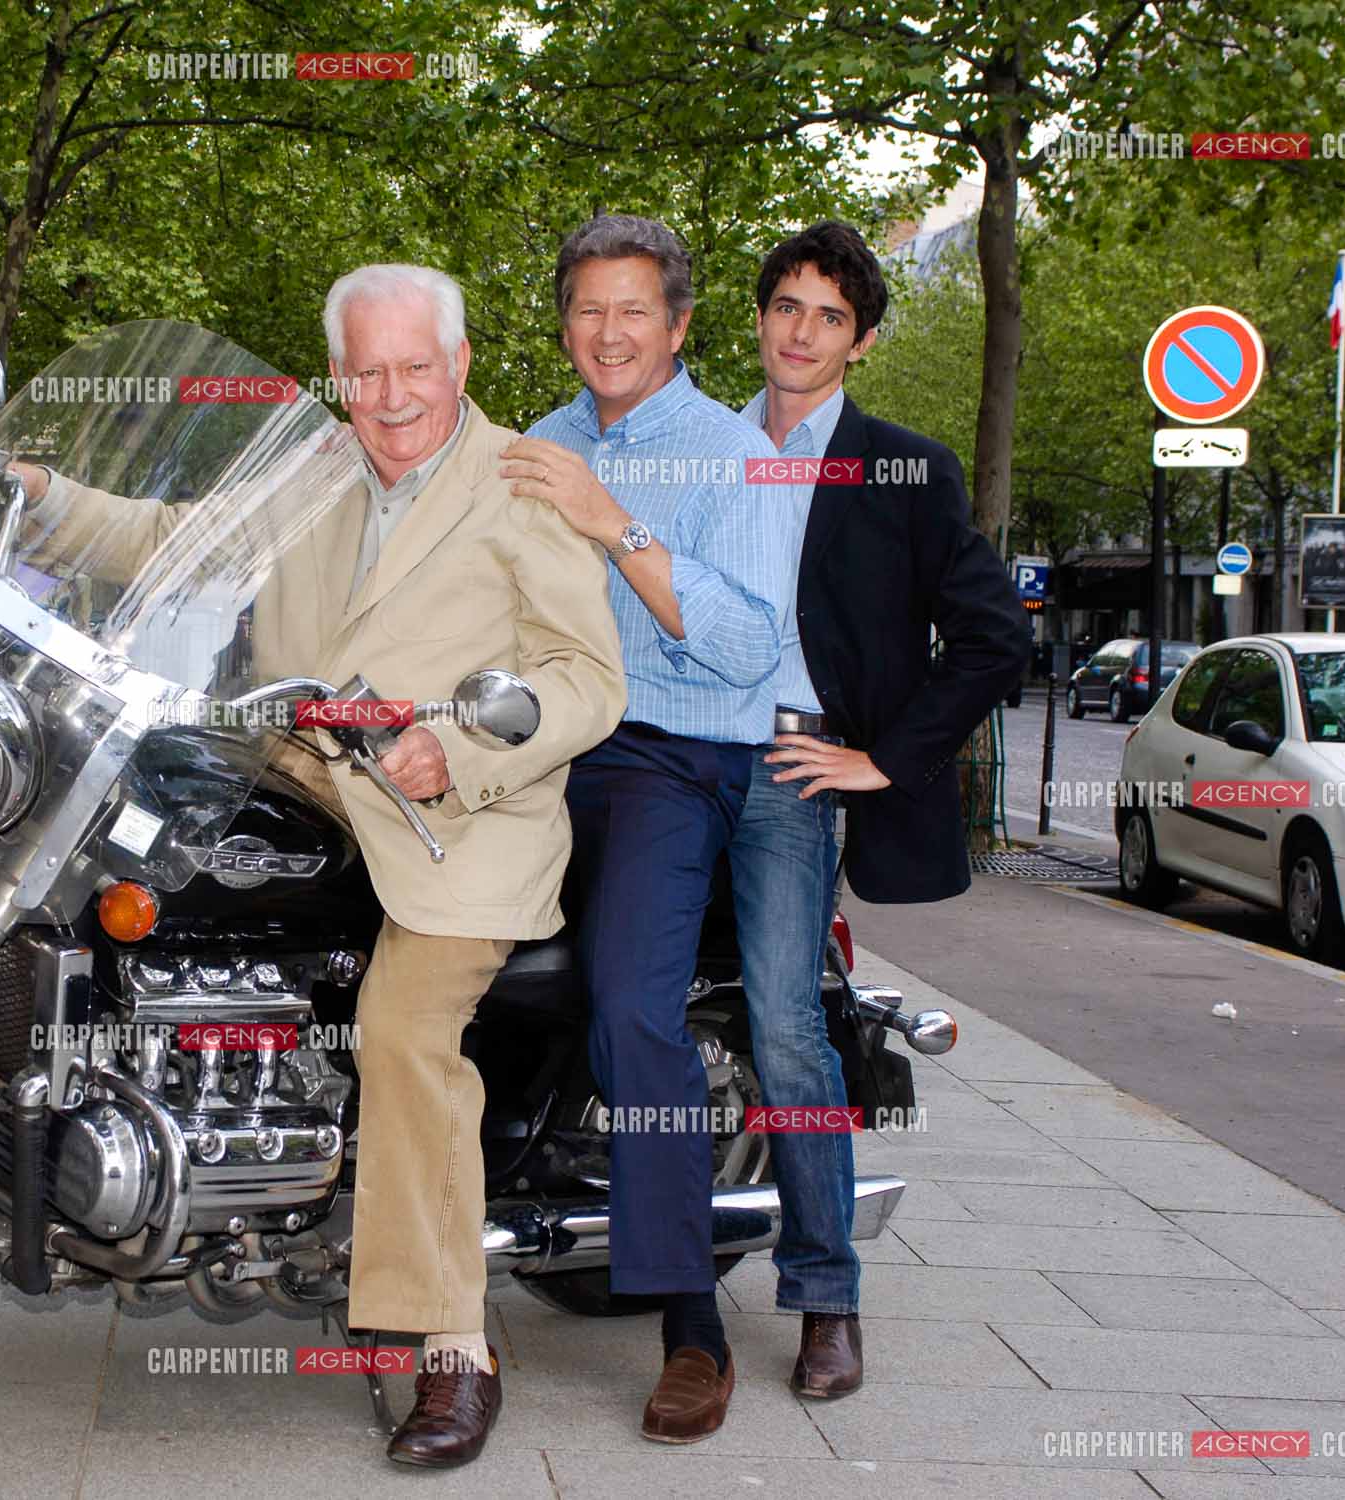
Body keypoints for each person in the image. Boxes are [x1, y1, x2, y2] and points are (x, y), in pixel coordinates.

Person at [12, 264, 625, 1468]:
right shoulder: (312, 468)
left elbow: (587, 678)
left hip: (456, 826)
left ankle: (452, 1345)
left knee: (400, 1033)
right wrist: (32, 493)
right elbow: (167, 538)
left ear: (458, 365)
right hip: (291, 784)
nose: (391, 397)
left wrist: (454, 747)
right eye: (367, 371)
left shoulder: (525, 491)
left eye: (415, 368)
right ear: (338, 373)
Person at [500, 214, 798, 1444]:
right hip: (531, 741)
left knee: (632, 1004)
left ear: (677, 326)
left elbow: (740, 645)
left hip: (669, 756)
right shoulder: (536, 442)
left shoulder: (736, 456)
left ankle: (692, 1322)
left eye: (634, 309)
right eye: (586, 309)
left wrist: (611, 517)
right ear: (565, 323)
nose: (607, 331)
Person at [743, 220, 1031, 1394]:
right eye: (786, 306)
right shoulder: (702, 447)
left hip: (788, 774)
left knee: (785, 1025)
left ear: (859, 341)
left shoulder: (902, 467)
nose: (802, 332)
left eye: (829, 316)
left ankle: (823, 1294)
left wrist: (881, 760)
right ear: (757, 318)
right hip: (657, 758)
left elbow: (993, 636)